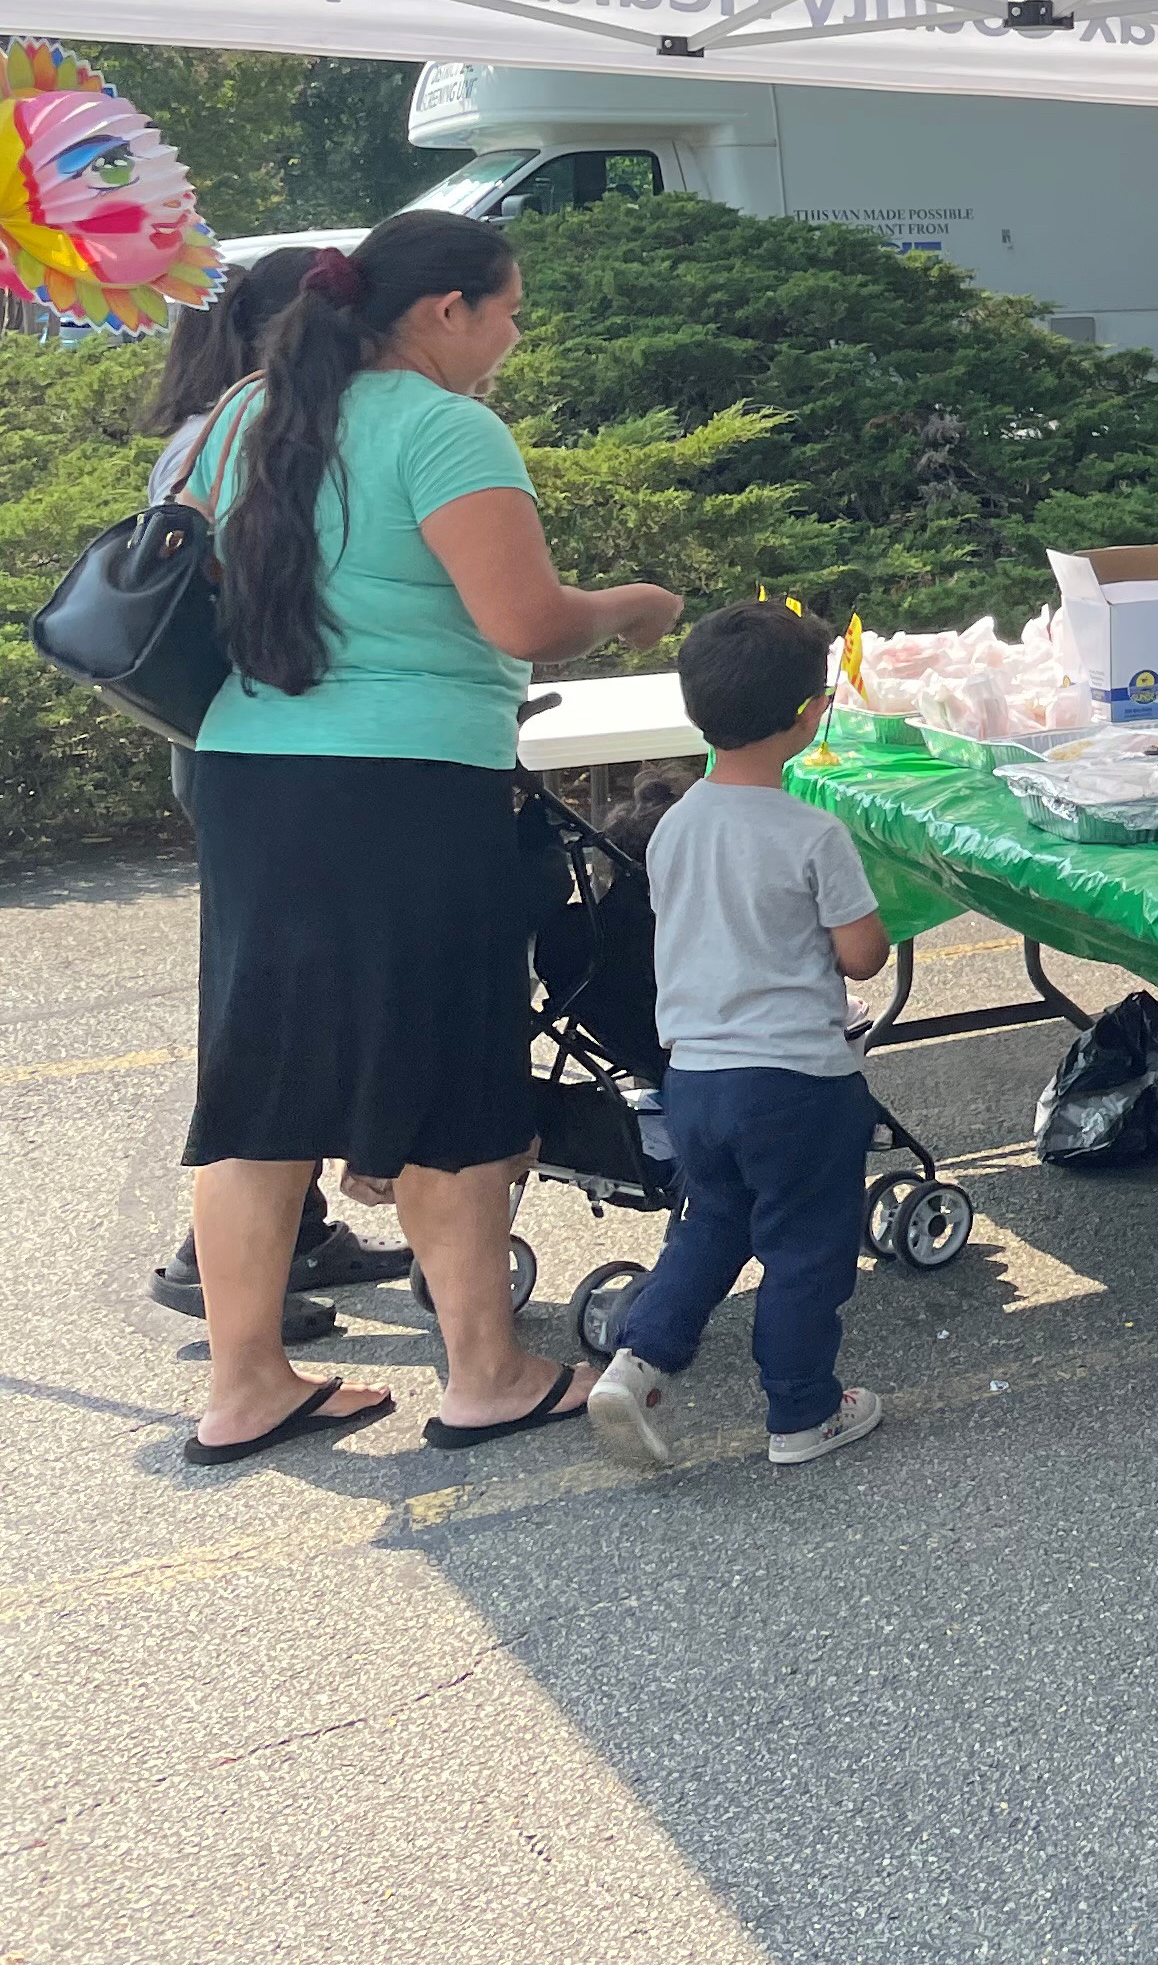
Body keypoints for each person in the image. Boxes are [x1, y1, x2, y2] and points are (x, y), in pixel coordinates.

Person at [178, 211, 681, 1466]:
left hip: (250, 780)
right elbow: (523, 620)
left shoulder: (246, 413)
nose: (511, 339)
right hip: (401, 791)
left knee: (260, 1086)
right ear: (444, 309)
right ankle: (489, 1371)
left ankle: (245, 1386)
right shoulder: (446, 428)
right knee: (453, 1073)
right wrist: (627, 608)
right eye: (507, 312)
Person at [137, 243, 410, 1337]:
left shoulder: (212, 431)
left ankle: (290, 1236)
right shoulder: (244, 435)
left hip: (227, 742)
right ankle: (216, 1261)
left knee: (274, 993)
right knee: (272, 1008)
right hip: (261, 747)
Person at [584, 604, 892, 1471]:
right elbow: (863, 958)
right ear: (812, 710)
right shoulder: (813, 832)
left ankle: (639, 1360)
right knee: (805, 1246)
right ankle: (802, 1411)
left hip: (696, 1079)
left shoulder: (676, 824)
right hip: (797, 1081)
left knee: (710, 1223)